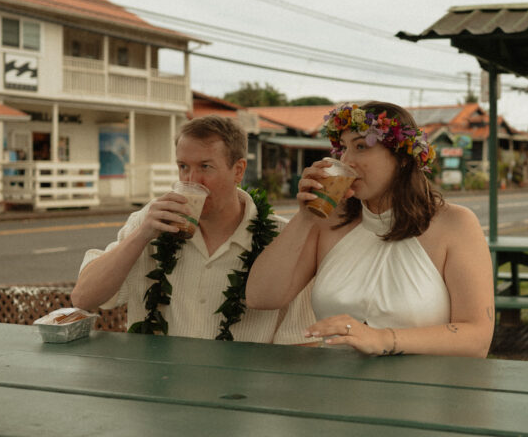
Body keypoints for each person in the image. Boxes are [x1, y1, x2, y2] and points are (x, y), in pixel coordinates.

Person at [246, 101, 494, 357]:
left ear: (402, 159)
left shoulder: (455, 224)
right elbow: (261, 297)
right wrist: (304, 218)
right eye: (343, 148)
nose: (347, 160)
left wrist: (381, 338)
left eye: (361, 146)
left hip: (421, 392)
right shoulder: (329, 222)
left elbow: (477, 339)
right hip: (335, 389)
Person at [73, 115, 314, 344]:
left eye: (205, 167)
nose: (191, 180)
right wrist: (142, 234)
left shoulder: (283, 238)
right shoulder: (150, 221)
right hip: (156, 382)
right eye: (183, 166)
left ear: (238, 170)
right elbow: (83, 298)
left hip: (241, 387)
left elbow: (299, 344)